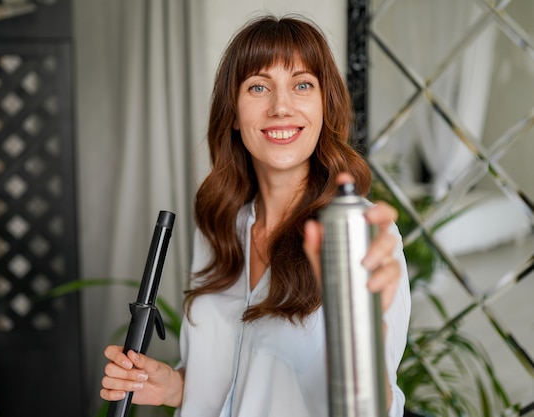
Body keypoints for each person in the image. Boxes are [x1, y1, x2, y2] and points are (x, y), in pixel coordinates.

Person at [100, 14, 411, 417]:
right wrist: (176, 385)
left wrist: (359, 339)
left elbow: (373, 408)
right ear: (232, 113)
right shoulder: (219, 226)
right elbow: (232, 376)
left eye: (302, 85)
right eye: (258, 87)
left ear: (323, 105)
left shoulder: (356, 236)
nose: (281, 107)